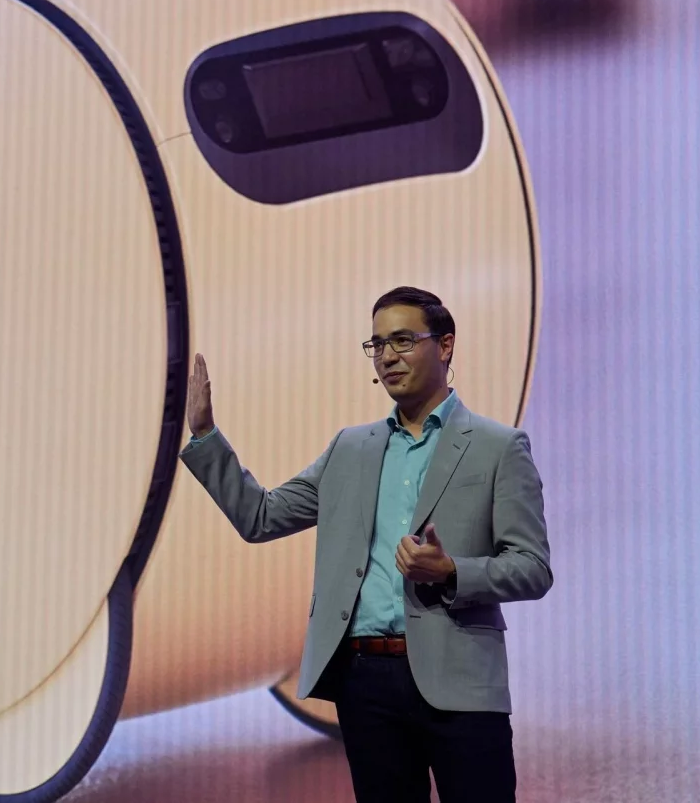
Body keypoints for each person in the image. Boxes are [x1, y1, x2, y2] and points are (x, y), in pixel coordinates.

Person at [178, 286, 553, 803]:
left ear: (445, 345)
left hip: (462, 680)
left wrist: (451, 571)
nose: (387, 356)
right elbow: (260, 517)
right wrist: (204, 435)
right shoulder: (349, 448)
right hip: (366, 681)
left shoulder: (499, 447)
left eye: (402, 340)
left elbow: (532, 567)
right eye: (377, 345)